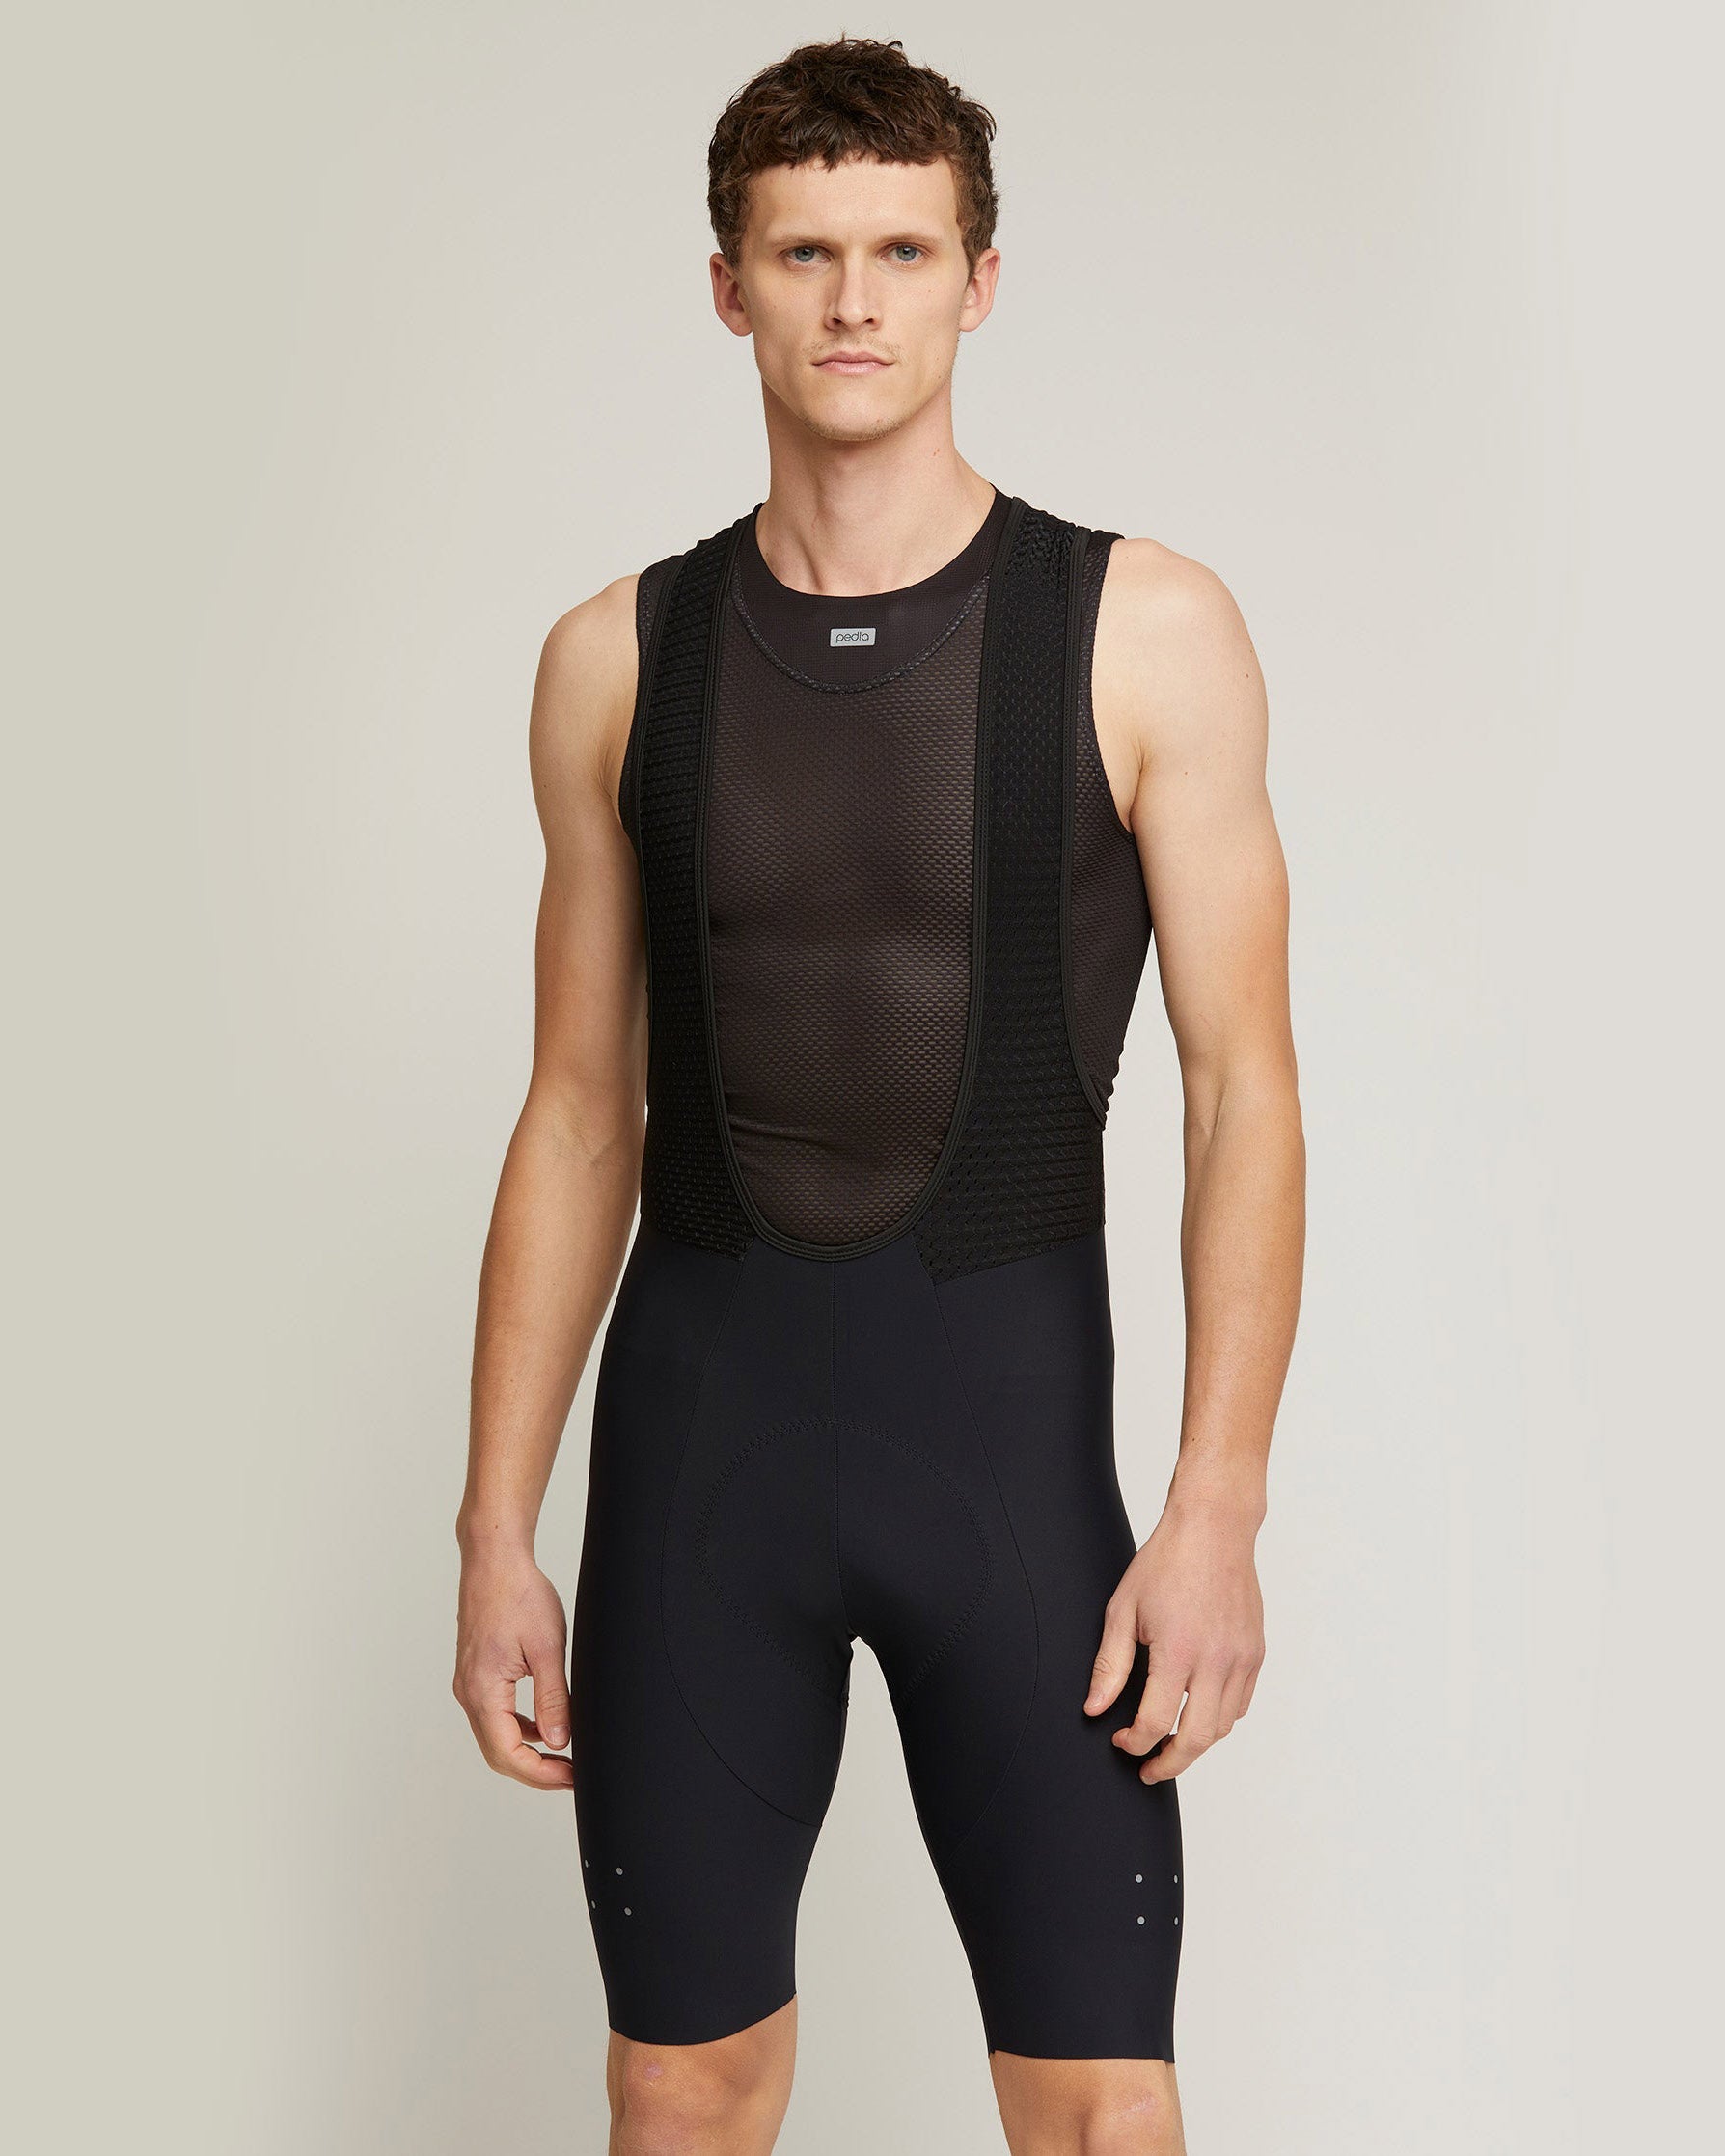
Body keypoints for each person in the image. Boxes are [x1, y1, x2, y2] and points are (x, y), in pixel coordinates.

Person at [453, 35, 1303, 2156]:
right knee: (683, 2094)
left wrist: (1216, 1505)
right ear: (726, 285)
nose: (855, 301)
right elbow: (577, 1114)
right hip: (700, 1473)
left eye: (904, 251)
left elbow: (1244, 1093)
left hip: (1008, 1473)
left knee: (1103, 2107)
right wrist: (494, 1530)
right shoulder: (614, 661)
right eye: (806, 252)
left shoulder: (1144, 631)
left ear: (979, 283)